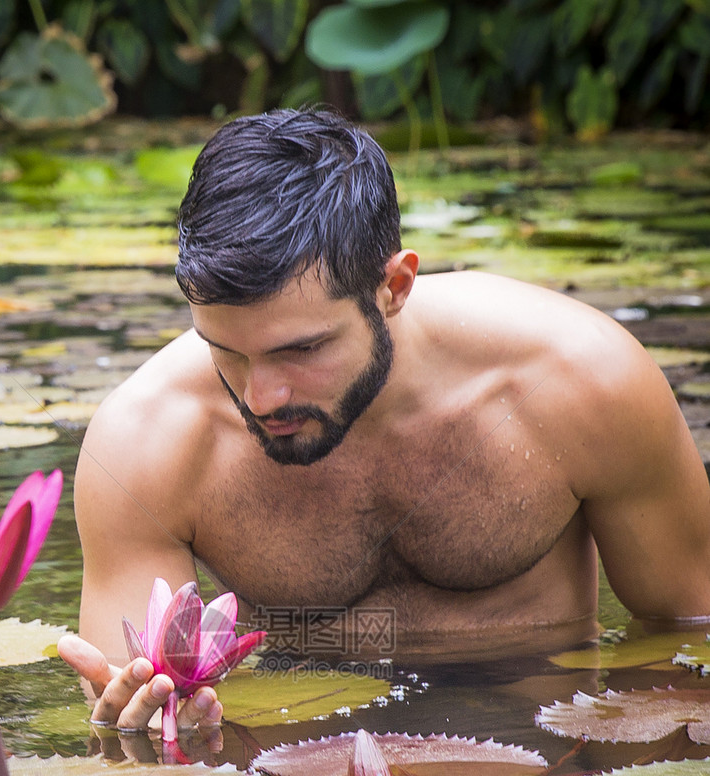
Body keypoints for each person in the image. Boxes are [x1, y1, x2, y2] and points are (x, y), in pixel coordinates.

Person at [58, 107, 710, 733]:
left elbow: (692, 636)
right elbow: (131, 705)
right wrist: (143, 728)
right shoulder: (148, 441)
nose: (260, 397)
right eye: (224, 348)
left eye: (301, 350)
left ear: (394, 287)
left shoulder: (581, 381)